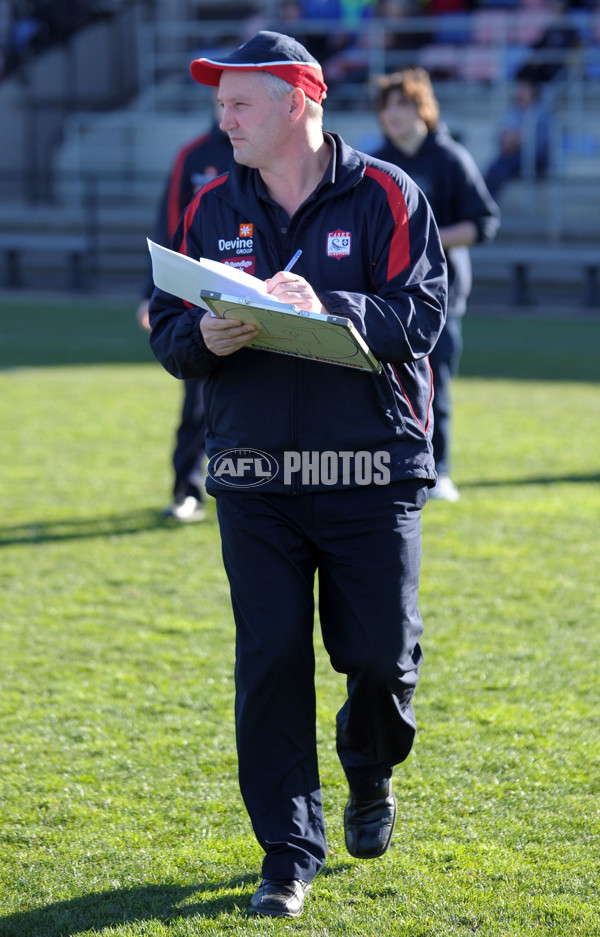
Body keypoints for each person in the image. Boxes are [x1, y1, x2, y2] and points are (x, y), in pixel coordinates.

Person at [148, 30, 447, 918]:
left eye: (240, 103)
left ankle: (368, 770)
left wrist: (332, 306)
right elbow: (169, 332)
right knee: (271, 659)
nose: (223, 119)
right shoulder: (209, 207)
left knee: (379, 658)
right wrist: (200, 336)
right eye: (219, 104)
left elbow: (422, 316)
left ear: (298, 100)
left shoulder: (390, 193)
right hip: (252, 479)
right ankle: (287, 853)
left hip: (372, 470)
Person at [371, 67, 499, 501]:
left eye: (402, 104)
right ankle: (388, 462)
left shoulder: (450, 158)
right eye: (386, 106)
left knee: (434, 384)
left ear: (422, 109)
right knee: (382, 383)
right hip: (383, 296)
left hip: (439, 296)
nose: (392, 115)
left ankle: (437, 468)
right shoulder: (375, 163)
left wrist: (425, 238)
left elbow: (484, 223)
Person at [137, 111, 232, 521]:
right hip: (199, 299)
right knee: (195, 400)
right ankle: (187, 488)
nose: (230, 108)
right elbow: (168, 229)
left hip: (259, 301)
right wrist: (151, 293)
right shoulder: (192, 155)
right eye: (223, 97)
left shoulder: (270, 153)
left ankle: (249, 488)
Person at [483, 76, 552, 199]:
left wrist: (520, 140)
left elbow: (542, 142)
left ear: (533, 92)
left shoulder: (542, 112)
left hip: (536, 159)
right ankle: (484, 199)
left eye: (525, 90)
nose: (520, 92)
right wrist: (509, 139)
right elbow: (502, 134)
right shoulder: (513, 111)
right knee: (495, 166)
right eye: (520, 89)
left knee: (503, 165)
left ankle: (487, 201)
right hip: (512, 154)